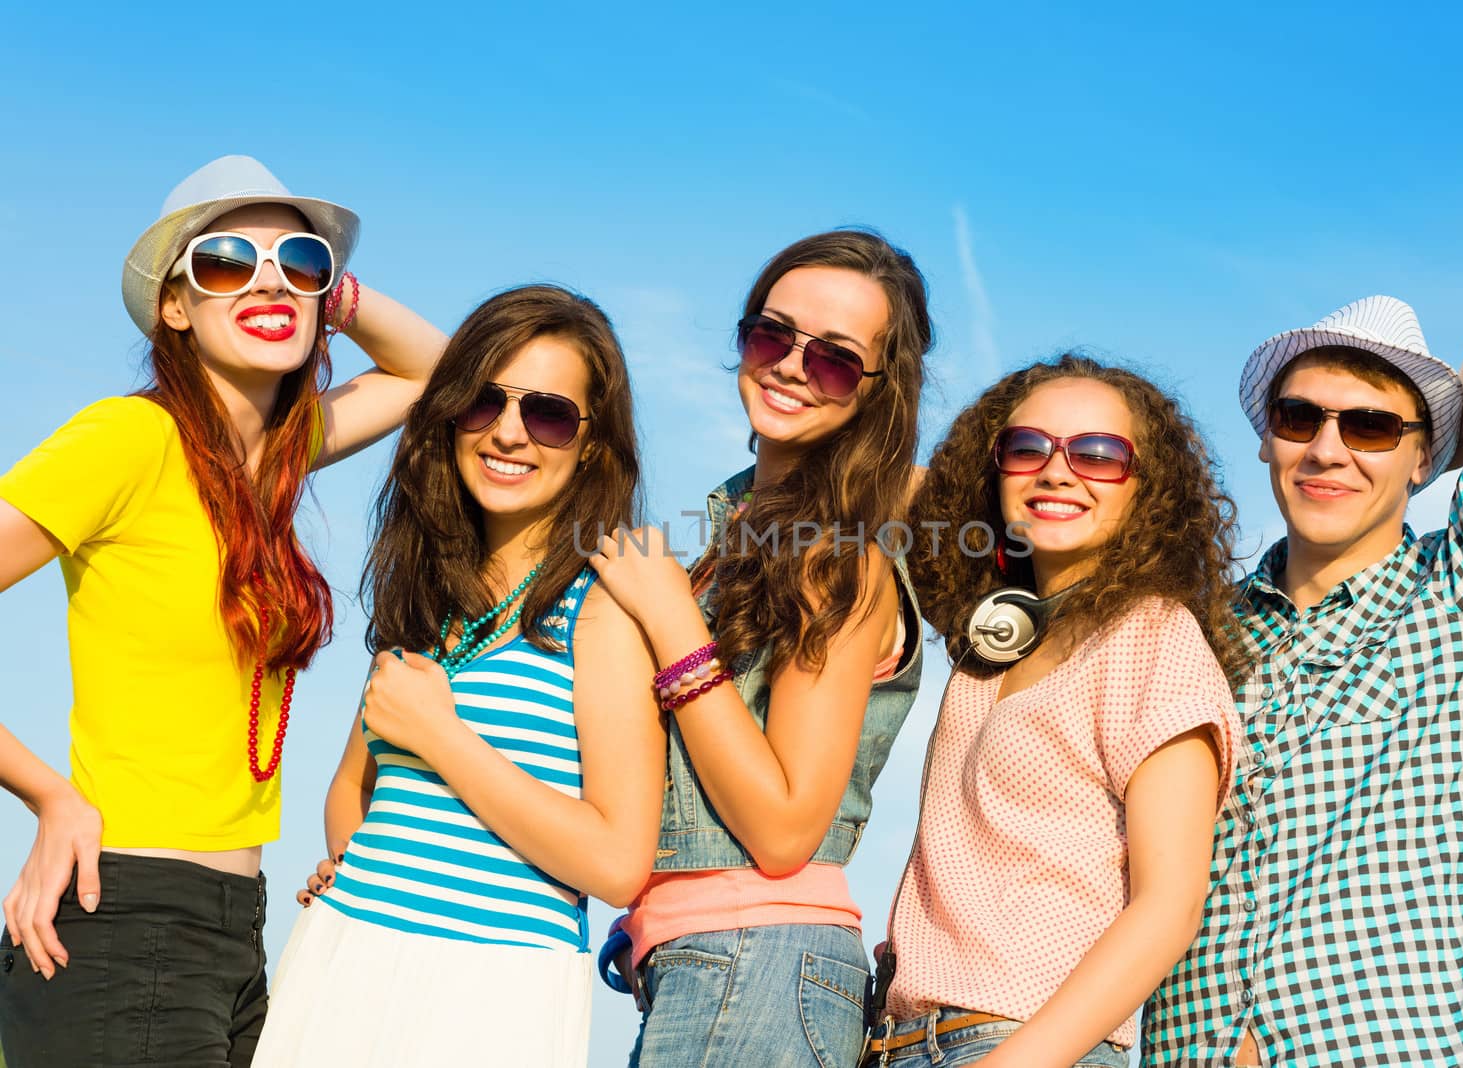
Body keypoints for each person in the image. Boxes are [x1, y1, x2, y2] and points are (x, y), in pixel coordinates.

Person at [0, 155, 445, 1066]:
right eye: (227, 262)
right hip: (123, 914)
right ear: (174, 305)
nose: (269, 278)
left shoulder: (272, 463)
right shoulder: (130, 439)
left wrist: (338, 296)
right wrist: (48, 795)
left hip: (235, 932)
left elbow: (438, 374)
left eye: (300, 261)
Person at [1142, 294, 1463, 1067]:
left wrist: (1438, 424)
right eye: (1299, 418)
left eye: (1370, 426)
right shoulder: (1196, 630)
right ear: (1267, 441)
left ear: (1425, 458)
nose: (1326, 448)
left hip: (1382, 1049)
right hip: (1181, 1050)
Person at [252, 284, 664, 1066]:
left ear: (593, 445)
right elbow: (353, 785)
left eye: (546, 413)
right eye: (483, 401)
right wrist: (356, 864)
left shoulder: (603, 610)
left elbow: (618, 863)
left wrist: (442, 737)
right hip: (343, 954)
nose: (508, 433)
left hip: (490, 991)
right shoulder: (429, 601)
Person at [589, 229, 931, 1067]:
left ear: (877, 391)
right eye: (771, 334)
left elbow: (783, 830)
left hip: (755, 965)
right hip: (707, 965)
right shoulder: (738, 530)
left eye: (835, 360)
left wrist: (672, 621)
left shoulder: (839, 555)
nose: (788, 366)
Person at [861, 355, 1244, 1067]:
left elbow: (1169, 908)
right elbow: (875, 486)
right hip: (899, 1042)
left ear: (1147, 488)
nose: (1058, 471)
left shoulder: (1151, 636)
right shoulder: (993, 641)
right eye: (1027, 447)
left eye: (1099, 454)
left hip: (1020, 1044)